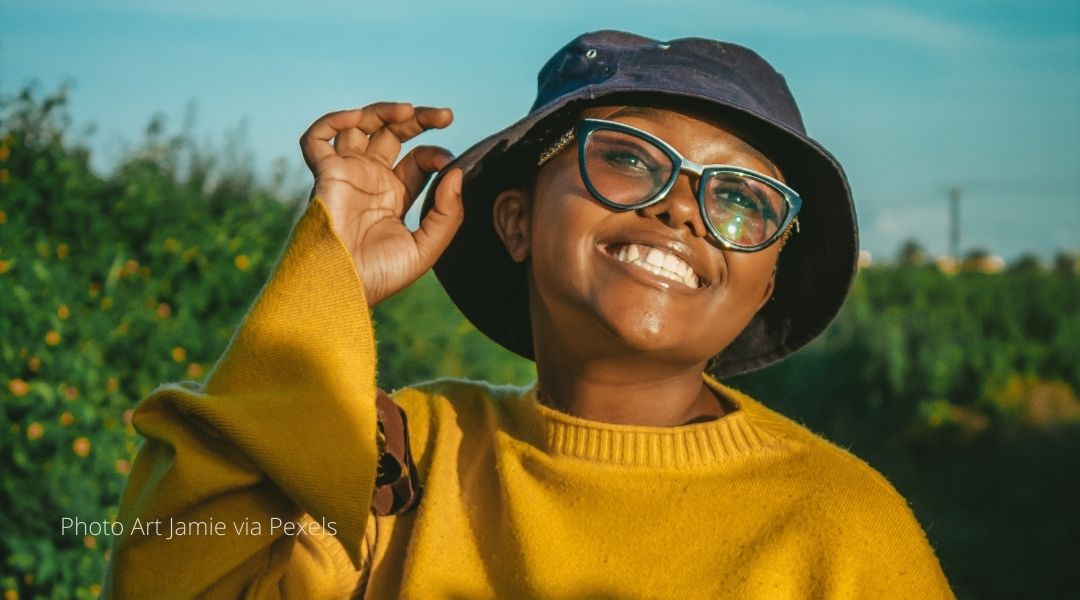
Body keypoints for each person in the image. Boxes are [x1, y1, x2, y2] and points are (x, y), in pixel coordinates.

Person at [103, 31, 954, 598]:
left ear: (763, 281)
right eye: (626, 158)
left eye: (742, 198)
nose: (684, 210)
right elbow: (178, 573)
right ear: (514, 220)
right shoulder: (396, 461)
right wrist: (328, 278)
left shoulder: (840, 531)